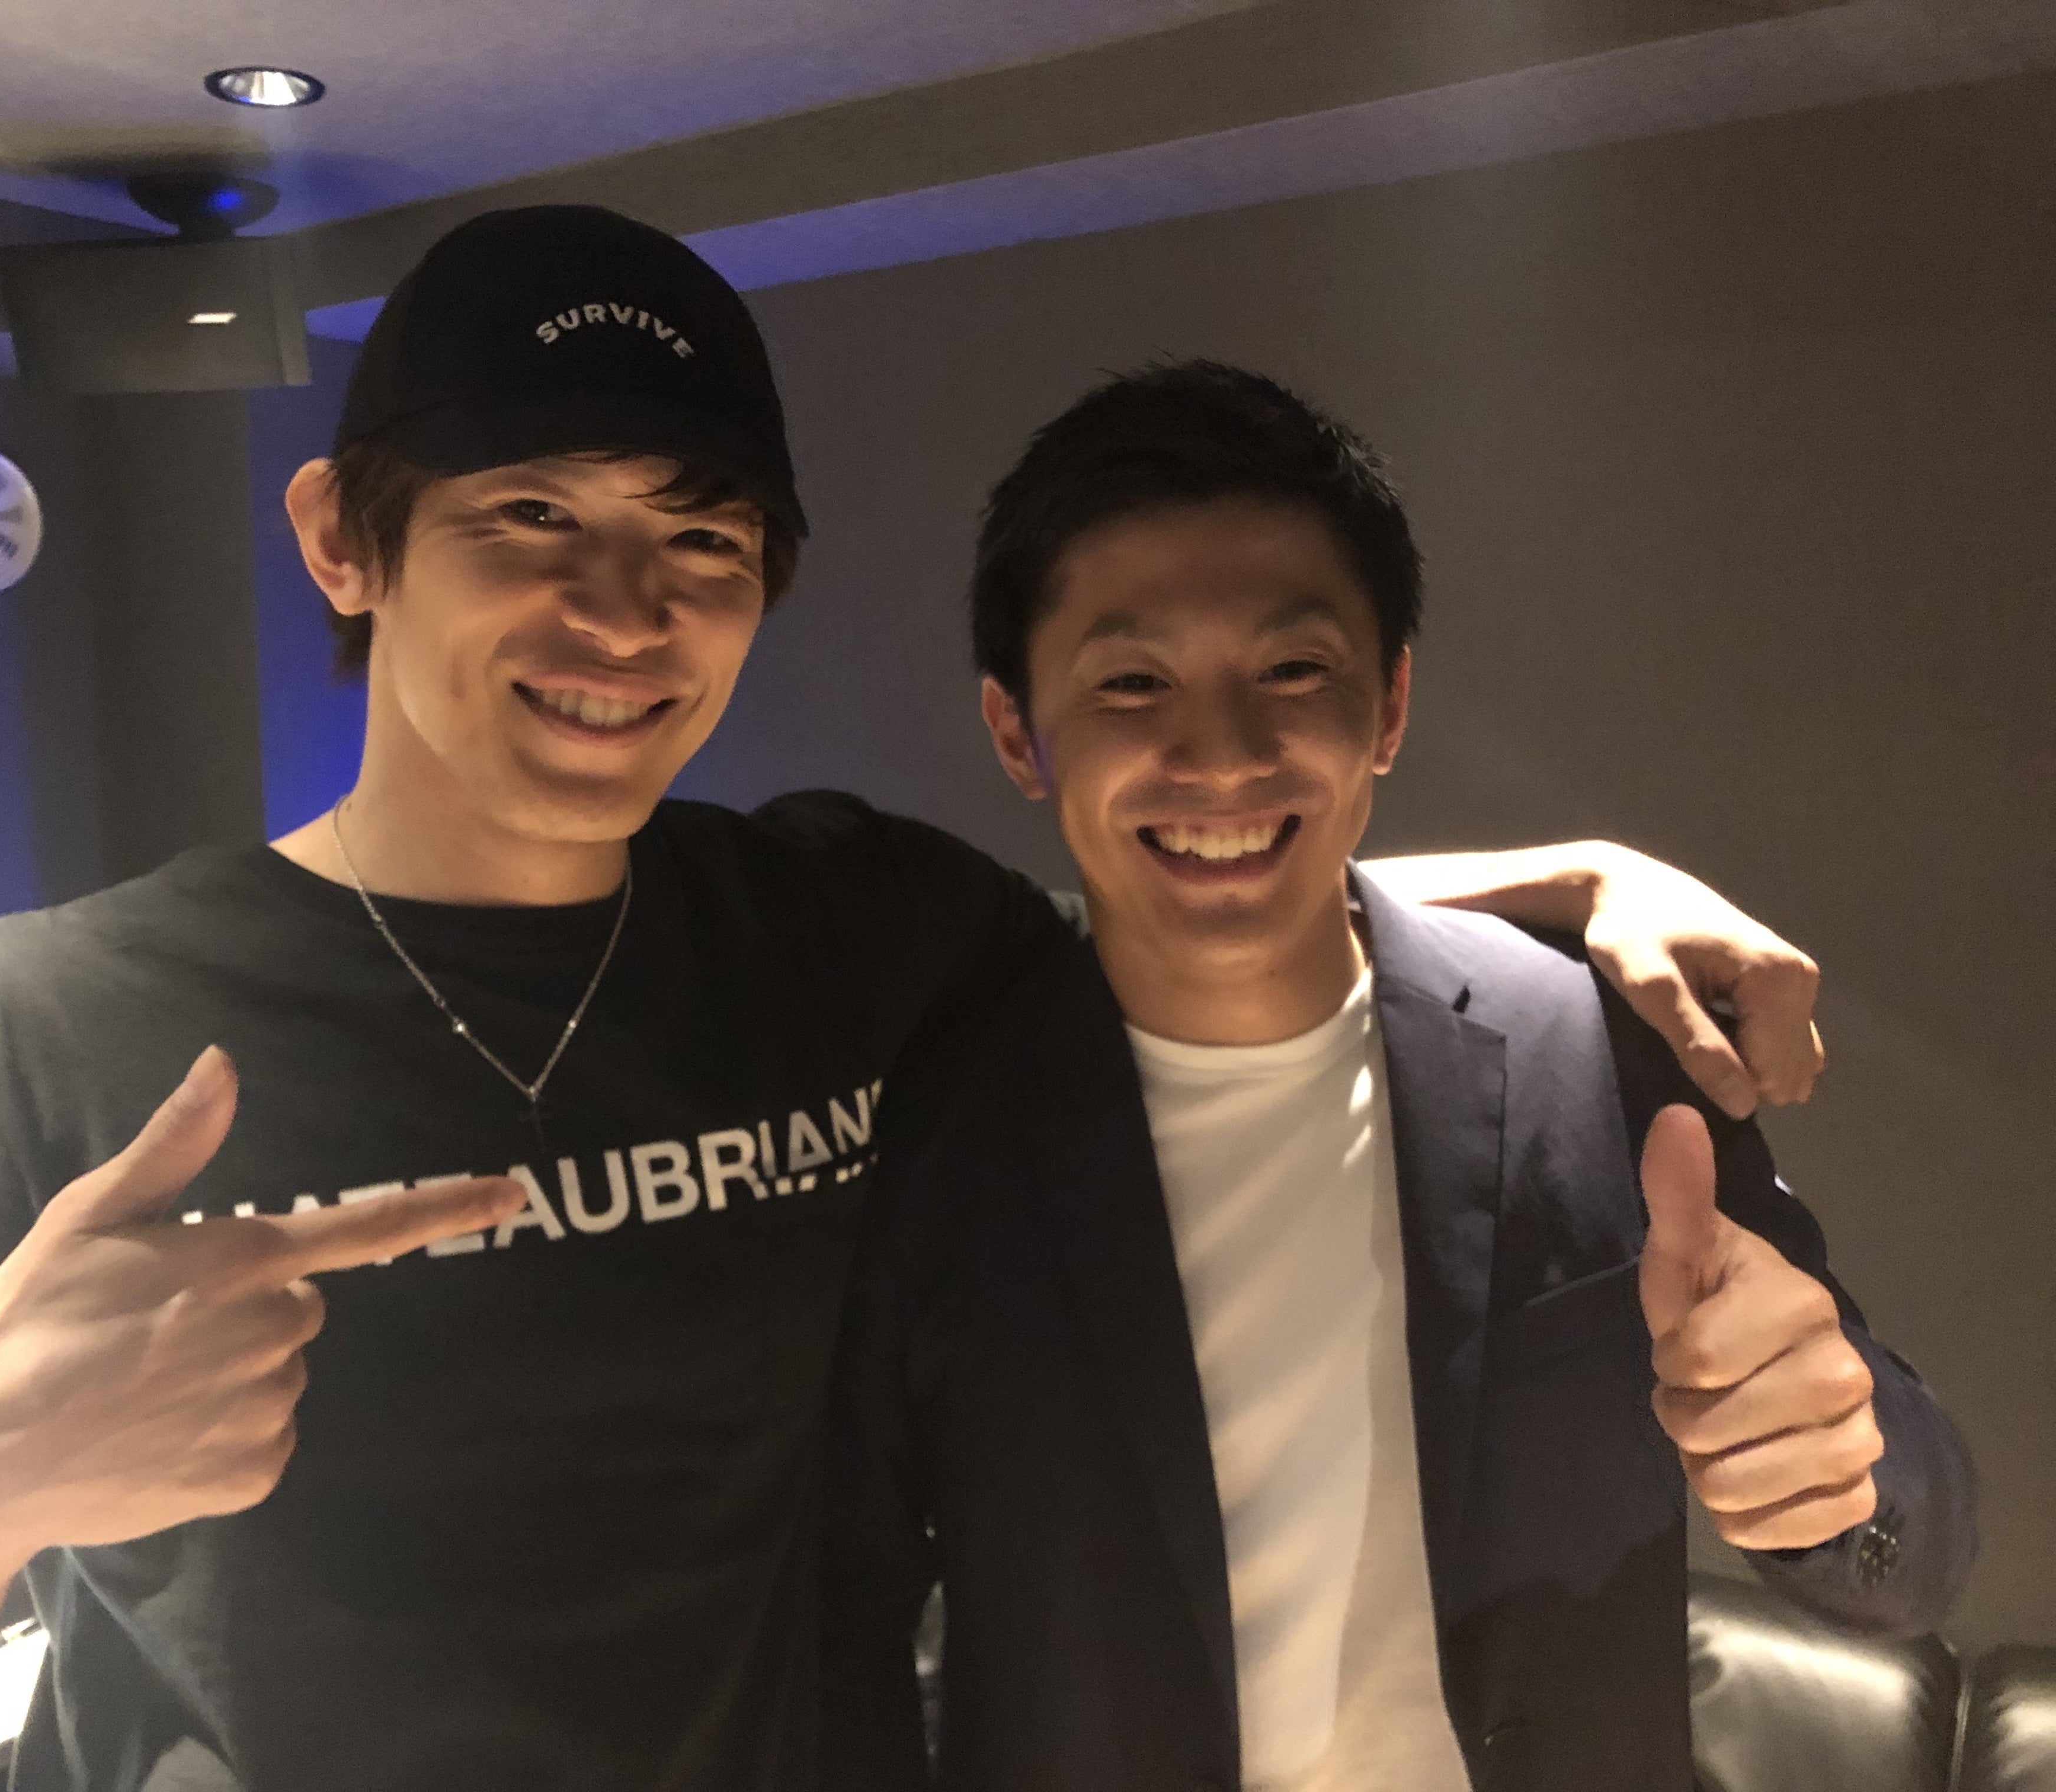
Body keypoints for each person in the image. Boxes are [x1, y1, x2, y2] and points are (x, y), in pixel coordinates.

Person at [0, 214, 1830, 1792]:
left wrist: (1579, 878)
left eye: (701, 539)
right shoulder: (27, 1033)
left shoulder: (841, 932)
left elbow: (1192, 875)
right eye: (530, 514)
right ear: (344, 540)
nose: (622, 610)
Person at [816, 363, 1977, 1792]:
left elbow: (1915, 1548)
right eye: (1132, 682)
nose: (1223, 755)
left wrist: (1831, 1464)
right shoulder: (930, 1127)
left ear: (1391, 703)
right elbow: (839, 1621)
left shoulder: (1599, 1050)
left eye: (1294, 671)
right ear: (1019, 734)